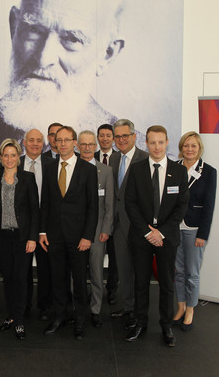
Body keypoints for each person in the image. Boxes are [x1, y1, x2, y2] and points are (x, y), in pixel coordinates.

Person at [0, 0, 125, 142]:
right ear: (14, 27)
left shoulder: (133, 157)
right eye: (34, 30)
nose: (43, 58)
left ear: (106, 55)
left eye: (72, 39)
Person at [124, 126, 189, 347]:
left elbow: (181, 208)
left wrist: (161, 233)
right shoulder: (136, 169)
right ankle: (140, 323)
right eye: (152, 142)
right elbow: (129, 203)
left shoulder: (179, 172)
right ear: (146, 143)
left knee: (166, 285)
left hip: (167, 238)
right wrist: (147, 231)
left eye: (161, 142)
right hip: (141, 237)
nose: (157, 147)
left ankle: (166, 325)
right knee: (140, 283)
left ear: (167, 142)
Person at [40, 126, 98, 340]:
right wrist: (42, 231)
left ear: (75, 142)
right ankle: (60, 316)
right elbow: (45, 201)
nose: (62, 143)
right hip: (54, 235)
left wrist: (87, 236)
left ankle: (80, 319)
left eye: (67, 140)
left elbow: (93, 207)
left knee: (80, 280)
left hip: (78, 237)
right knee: (58, 279)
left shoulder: (88, 170)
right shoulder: (48, 167)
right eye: (59, 140)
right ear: (54, 142)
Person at [0, 139, 39, 339]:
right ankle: (12, 315)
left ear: (19, 157)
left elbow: (35, 210)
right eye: (5, 155)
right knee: (8, 278)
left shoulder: (28, 178)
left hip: (22, 237)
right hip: (1, 237)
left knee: (20, 278)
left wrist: (33, 237)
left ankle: (19, 320)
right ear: (1, 158)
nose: (9, 159)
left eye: (13, 155)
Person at [172, 131, 217, 331]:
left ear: (199, 149)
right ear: (181, 147)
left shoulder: (209, 171)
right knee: (179, 271)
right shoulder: (173, 168)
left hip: (194, 228)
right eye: (186, 145)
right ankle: (180, 307)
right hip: (174, 227)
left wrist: (203, 235)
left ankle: (190, 309)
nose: (189, 149)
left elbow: (209, 206)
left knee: (192, 273)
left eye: (193, 146)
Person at [109, 119, 148, 320]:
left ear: (134, 136)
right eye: (118, 136)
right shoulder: (114, 159)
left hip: (138, 226)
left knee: (139, 272)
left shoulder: (146, 159)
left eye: (125, 136)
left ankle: (140, 313)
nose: (121, 140)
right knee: (123, 270)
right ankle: (128, 307)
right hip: (118, 225)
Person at [77, 131, 114, 328]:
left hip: (99, 231)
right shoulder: (72, 168)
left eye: (91, 144)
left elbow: (109, 205)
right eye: (83, 144)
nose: (87, 147)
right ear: (78, 146)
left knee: (97, 273)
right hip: (76, 231)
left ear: (96, 146)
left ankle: (96, 309)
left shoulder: (105, 171)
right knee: (77, 273)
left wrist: (106, 229)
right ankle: (78, 307)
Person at [20, 129, 53, 321]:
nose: (34, 144)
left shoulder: (51, 164)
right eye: (31, 140)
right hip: (23, 223)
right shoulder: (15, 163)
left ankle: (44, 305)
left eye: (38, 141)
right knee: (23, 268)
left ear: (44, 144)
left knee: (45, 268)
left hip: (46, 225)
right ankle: (23, 304)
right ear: (24, 142)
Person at [94, 123, 117, 304]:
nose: (105, 138)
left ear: (113, 138)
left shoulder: (119, 158)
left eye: (108, 135)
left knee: (115, 259)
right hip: (97, 220)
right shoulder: (90, 158)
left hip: (116, 218)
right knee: (96, 262)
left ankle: (113, 290)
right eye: (101, 135)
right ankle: (95, 294)